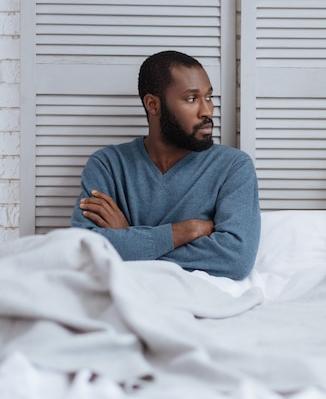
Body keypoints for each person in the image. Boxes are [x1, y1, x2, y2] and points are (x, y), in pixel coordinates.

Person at [71, 50, 260, 280]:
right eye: (191, 99)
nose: (207, 111)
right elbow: (84, 251)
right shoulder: (108, 165)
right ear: (153, 105)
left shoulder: (233, 167)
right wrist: (185, 231)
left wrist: (127, 238)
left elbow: (235, 259)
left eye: (208, 97)